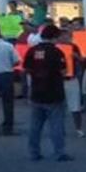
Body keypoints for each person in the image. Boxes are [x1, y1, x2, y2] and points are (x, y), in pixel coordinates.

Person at [22, 25, 70, 162]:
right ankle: (59, 152)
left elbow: (25, 69)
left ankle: (34, 152)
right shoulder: (56, 52)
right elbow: (63, 72)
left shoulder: (32, 50)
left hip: (37, 90)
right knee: (56, 125)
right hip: (54, 91)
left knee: (35, 125)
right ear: (54, 37)